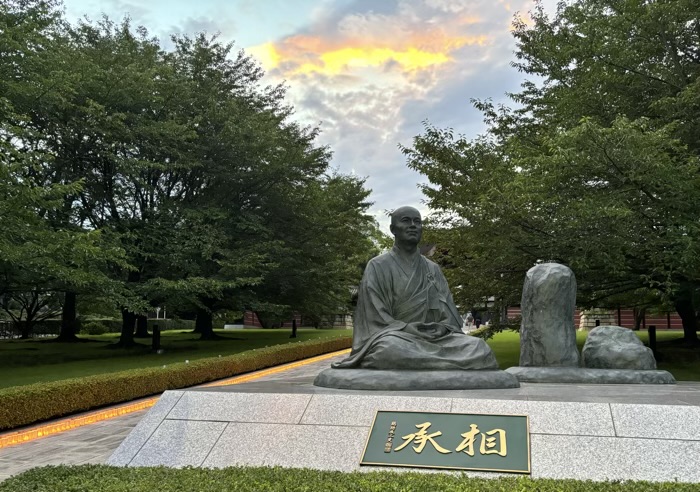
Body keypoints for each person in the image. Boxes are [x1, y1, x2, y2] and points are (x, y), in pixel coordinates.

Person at [332, 206, 498, 370]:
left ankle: (425, 363)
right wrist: (406, 328)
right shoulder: (377, 266)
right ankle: (444, 364)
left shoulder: (433, 269)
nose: (413, 225)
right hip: (397, 336)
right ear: (393, 229)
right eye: (406, 221)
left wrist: (442, 327)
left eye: (417, 222)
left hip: (434, 339)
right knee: (388, 350)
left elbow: (449, 315)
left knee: (478, 347)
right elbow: (374, 315)